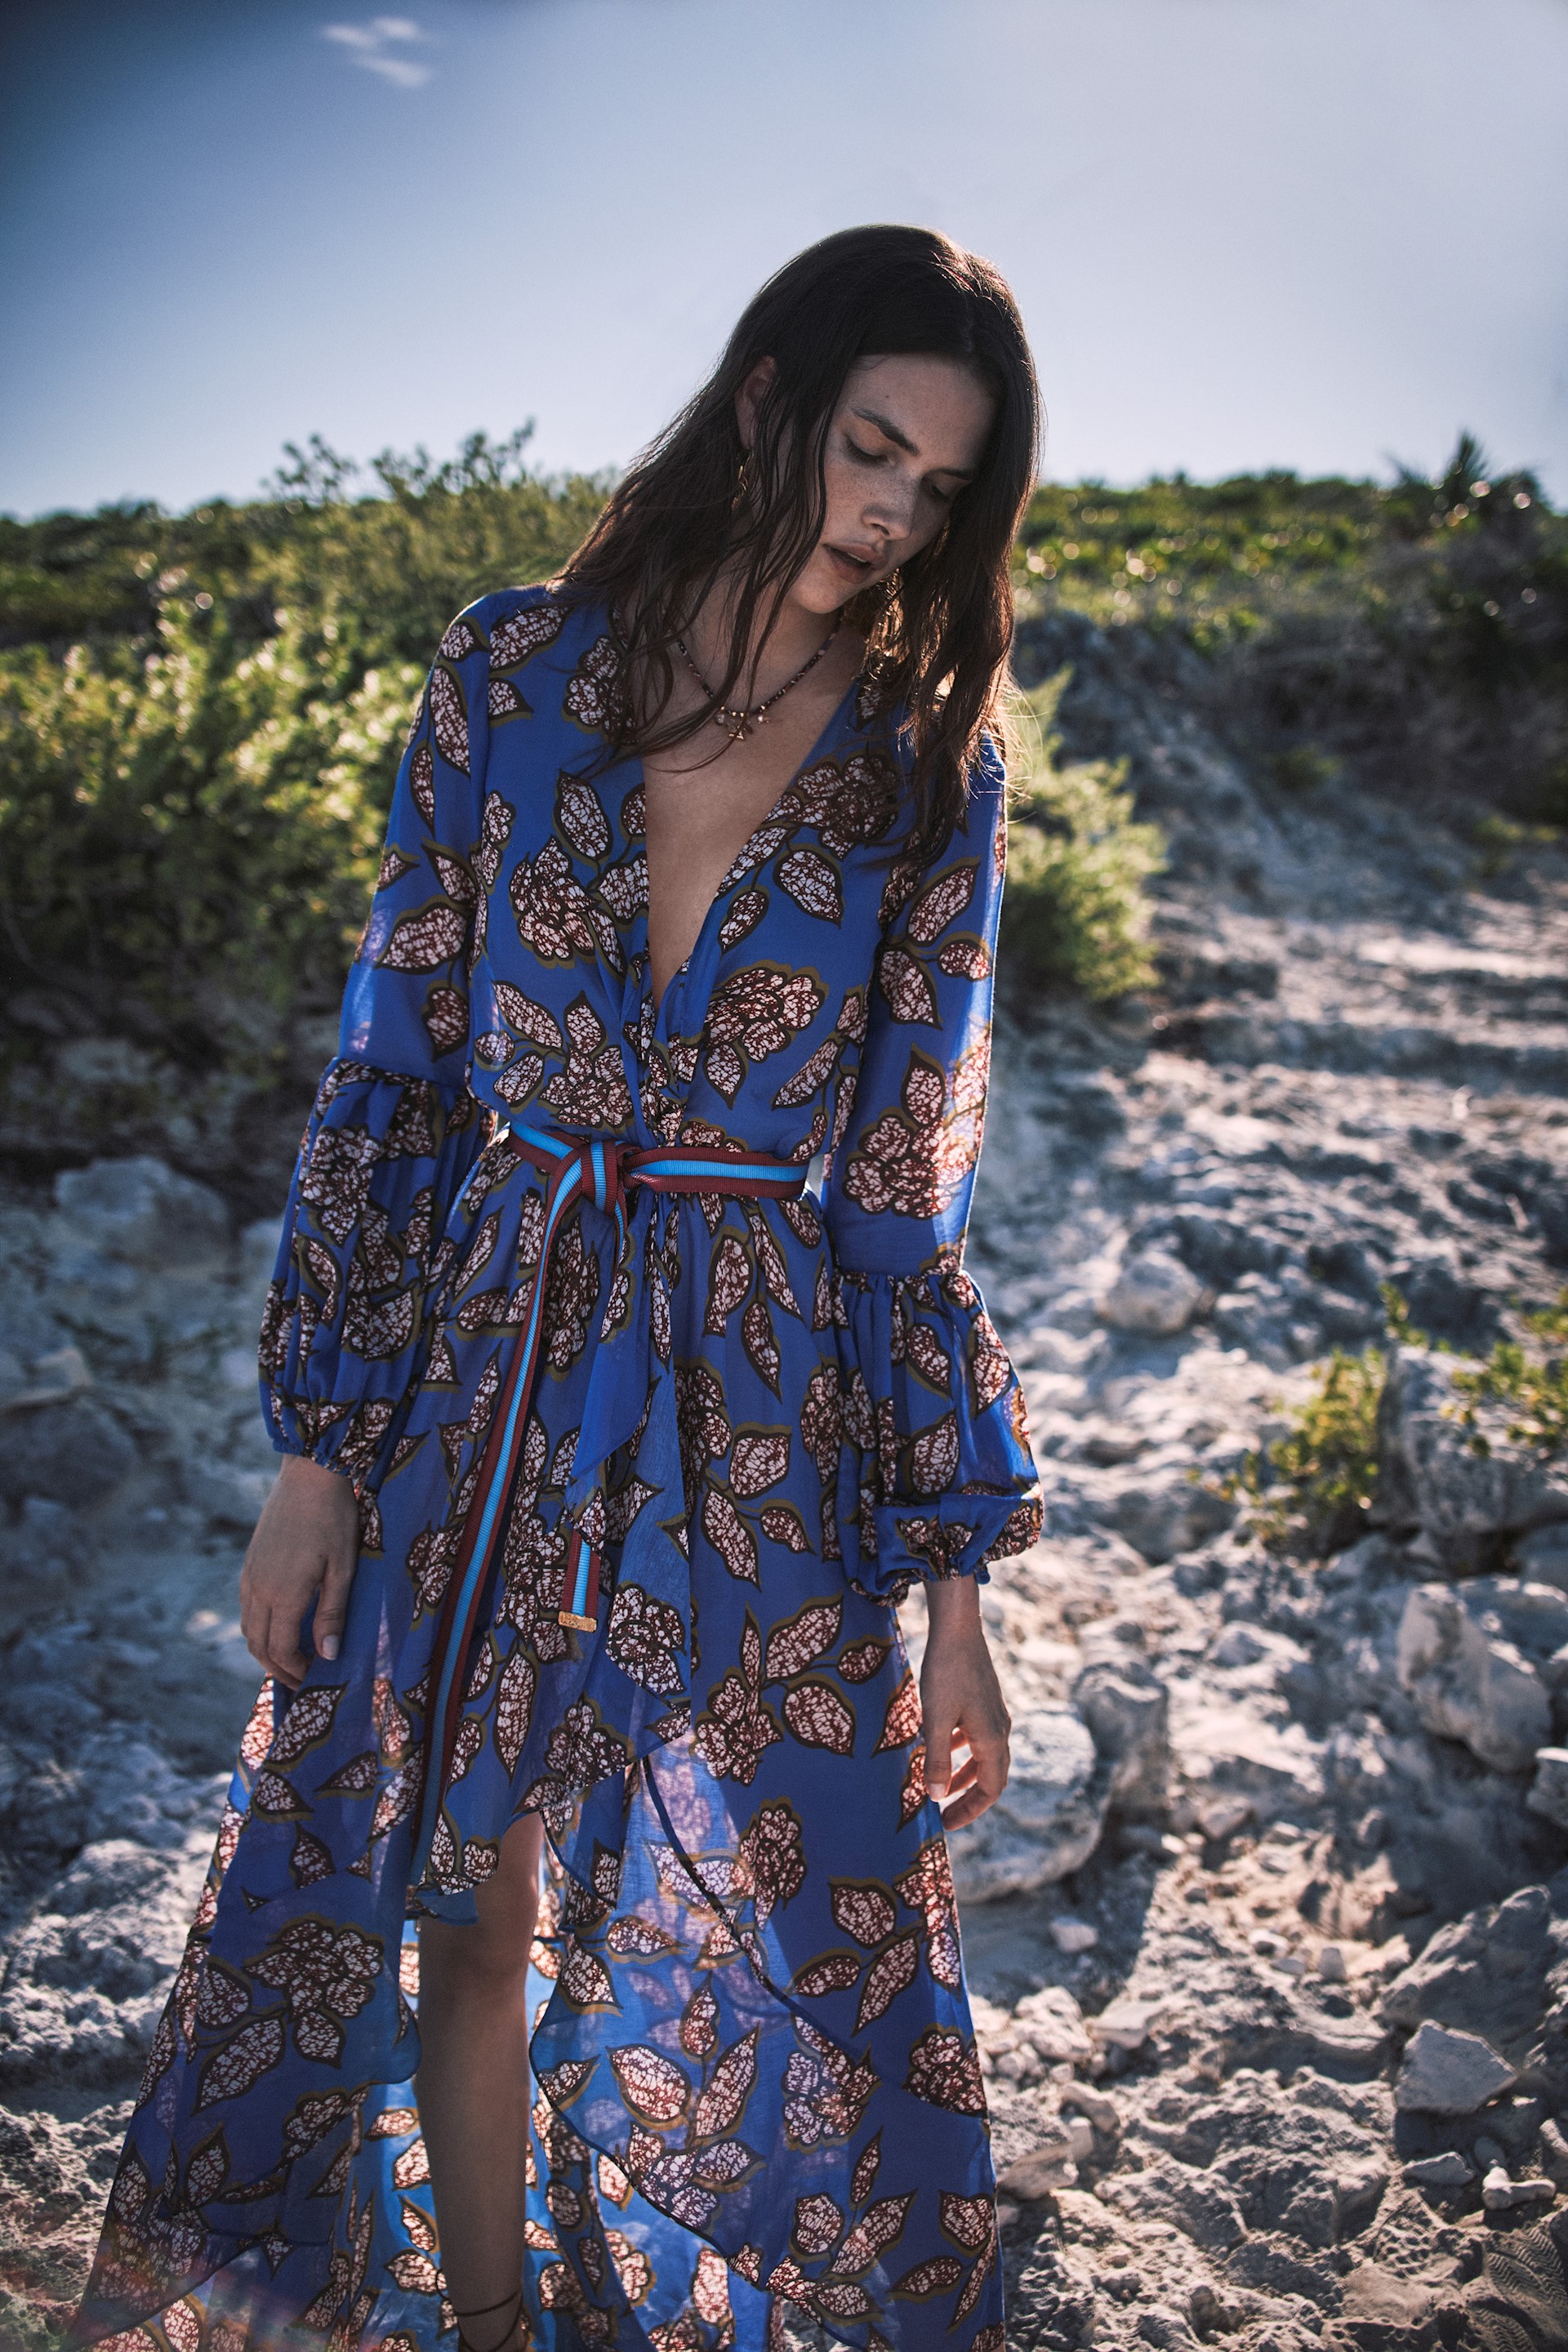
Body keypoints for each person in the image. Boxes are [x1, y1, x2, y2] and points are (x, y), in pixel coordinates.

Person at [76, 222, 1044, 2352]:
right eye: (869, 446)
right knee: (461, 1890)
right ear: (773, 402)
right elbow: (397, 1072)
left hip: (760, 1379)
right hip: (486, 1350)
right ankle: (500, 2321)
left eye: (941, 486)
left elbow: (899, 1190)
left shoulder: (923, 760)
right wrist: (317, 1452)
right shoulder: (509, 672)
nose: (892, 509)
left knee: (807, 1902)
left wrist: (961, 1584)